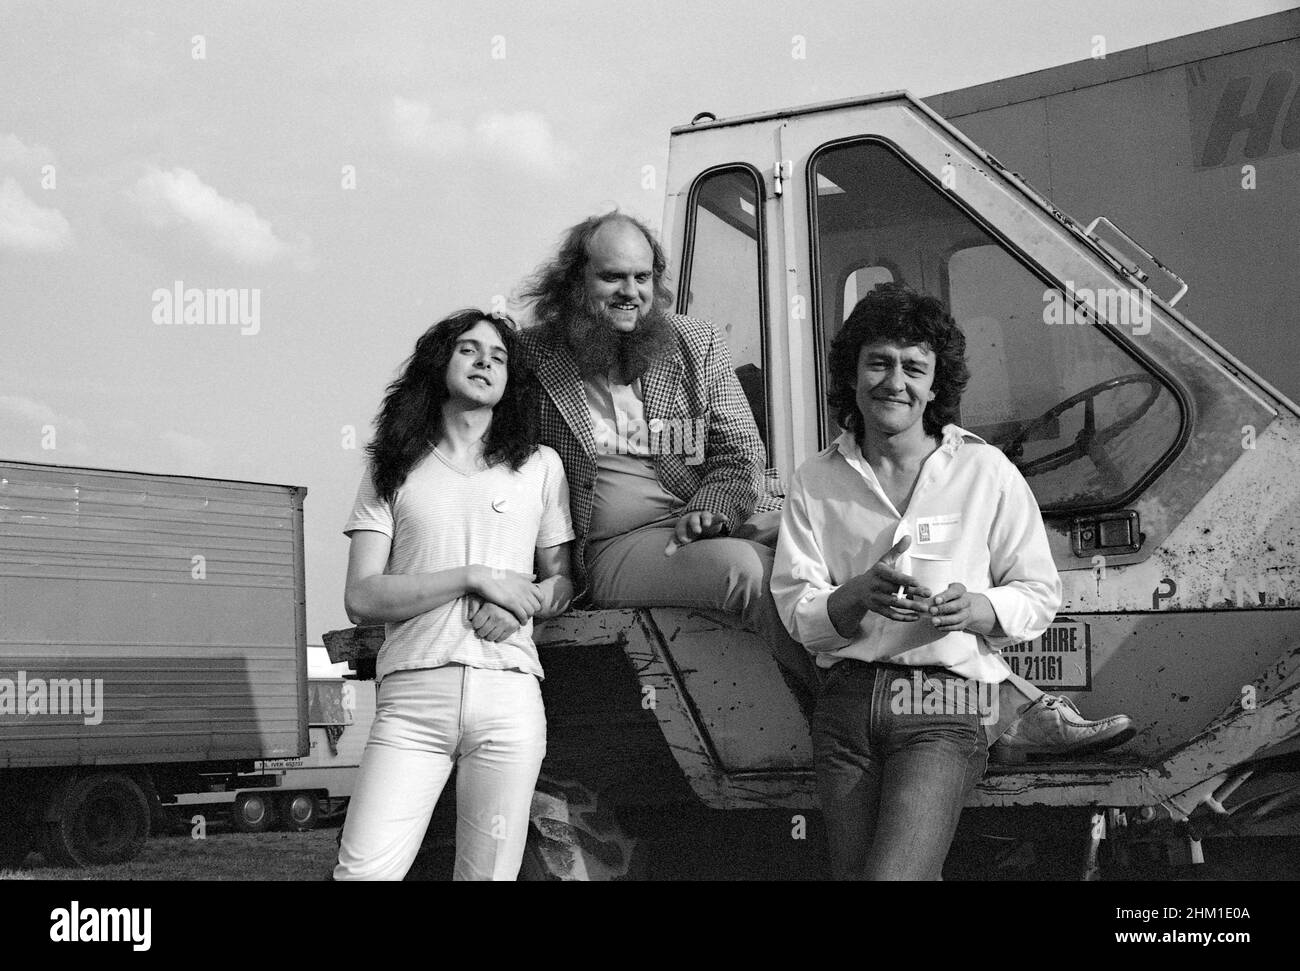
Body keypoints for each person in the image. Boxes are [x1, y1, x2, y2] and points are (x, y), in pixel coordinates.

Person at [772, 282, 1127, 879]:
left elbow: (1039, 594)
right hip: (846, 702)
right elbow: (797, 609)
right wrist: (854, 594)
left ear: (936, 386)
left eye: (914, 368)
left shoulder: (985, 470)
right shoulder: (815, 480)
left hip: (947, 699)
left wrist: (977, 609)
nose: (895, 382)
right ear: (852, 375)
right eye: (878, 363)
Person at [515, 211, 817, 703]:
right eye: (611, 276)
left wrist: (713, 507)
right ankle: (843, 707)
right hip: (617, 545)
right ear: (575, 282)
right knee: (748, 570)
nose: (630, 291)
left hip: (709, 516)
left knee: (829, 536)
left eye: (642, 276)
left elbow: (740, 451)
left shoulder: (694, 343)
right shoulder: (532, 359)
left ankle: (941, 691)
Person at [333, 309, 575, 881]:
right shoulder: (391, 466)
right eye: (469, 349)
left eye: (499, 355)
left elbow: (562, 580)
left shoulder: (541, 466)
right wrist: (473, 576)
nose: (486, 360)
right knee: (362, 873)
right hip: (414, 700)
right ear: (439, 363)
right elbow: (361, 596)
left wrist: (522, 600)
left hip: (508, 693)